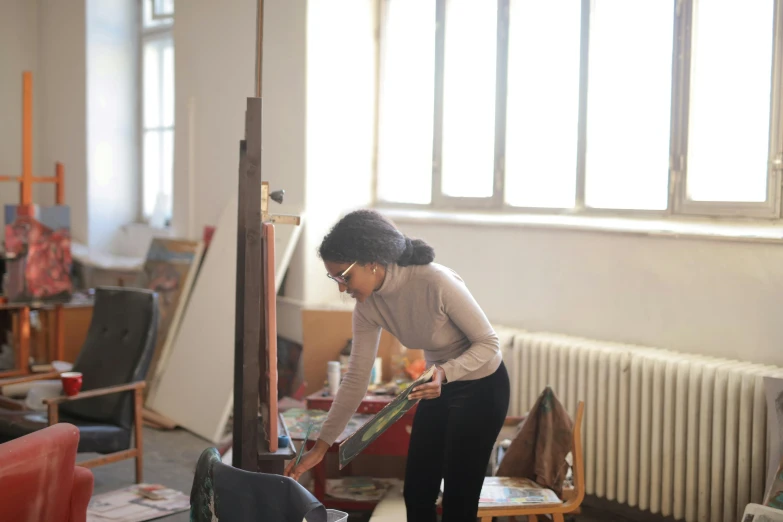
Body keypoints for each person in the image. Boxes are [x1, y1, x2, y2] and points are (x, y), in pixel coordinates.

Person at [284, 209, 510, 521]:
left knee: (459, 498)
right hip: (435, 387)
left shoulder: (435, 281)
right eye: (334, 278)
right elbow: (356, 378)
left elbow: (488, 343)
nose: (341, 288)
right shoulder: (367, 307)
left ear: (371, 262)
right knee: (416, 494)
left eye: (344, 277)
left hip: (482, 386)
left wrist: (445, 372)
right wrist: (320, 448)